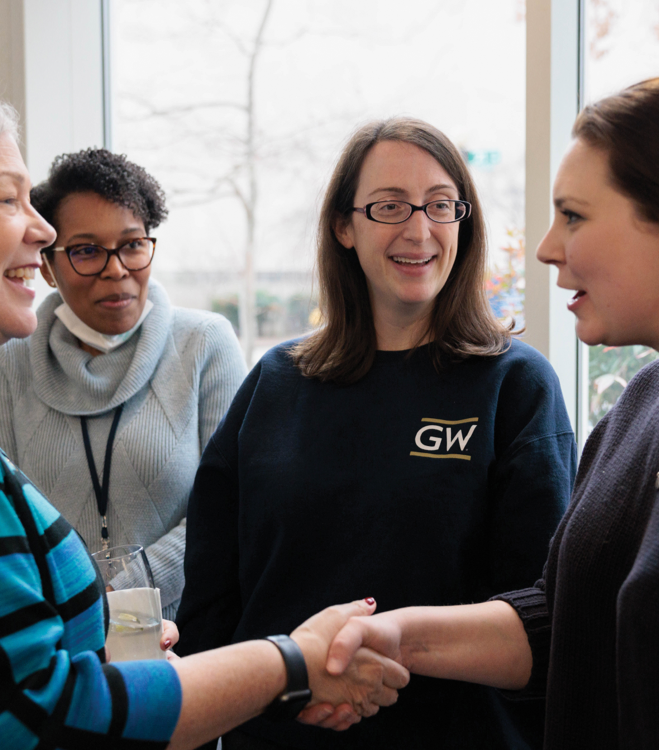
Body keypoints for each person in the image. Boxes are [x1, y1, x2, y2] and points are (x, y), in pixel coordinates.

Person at [0, 83, 409, 750]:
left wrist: (93, 636)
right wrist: (289, 663)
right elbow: (42, 721)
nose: (41, 232)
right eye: (8, 199)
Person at [323, 76, 659, 749]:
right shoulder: (642, 405)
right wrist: (398, 637)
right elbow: (565, 621)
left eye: (573, 215)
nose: (546, 247)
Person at [175, 117, 577, 749]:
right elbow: (212, 594)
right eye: (390, 206)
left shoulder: (515, 386)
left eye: (441, 206)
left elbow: (540, 608)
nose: (418, 230)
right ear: (344, 226)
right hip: (283, 732)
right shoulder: (275, 384)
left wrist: (359, 668)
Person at [0, 148, 245, 621]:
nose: (116, 269)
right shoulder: (11, 360)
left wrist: (119, 596)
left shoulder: (205, 344)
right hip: (61, 634)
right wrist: (80, 608)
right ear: (48, 267)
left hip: (190, 633)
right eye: (86, 251)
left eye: (132, 245)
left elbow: (231, 509)